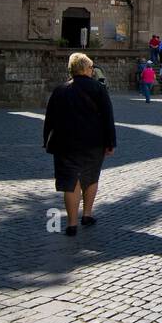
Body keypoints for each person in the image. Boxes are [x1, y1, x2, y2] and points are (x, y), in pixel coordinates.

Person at [43, 52, 116, 238]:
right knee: (90, 178)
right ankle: (87, 214)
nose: (92, 71)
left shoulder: (60, 90)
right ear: (85, 69)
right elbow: (108, 117)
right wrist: (110, 142)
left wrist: (46, 140)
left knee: (70, 182)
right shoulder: (98, 89)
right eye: (91, 68)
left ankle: (72, 224)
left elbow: (49, 118)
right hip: (93, 142)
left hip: (64, 143)